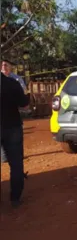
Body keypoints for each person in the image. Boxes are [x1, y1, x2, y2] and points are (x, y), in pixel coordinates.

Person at [1, 72, 30, 208]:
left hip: (11, 127)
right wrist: (27, 95)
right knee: (16, 164)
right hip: (12, 127)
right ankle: (15, 198)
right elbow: (24, 103)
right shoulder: (12, 83)